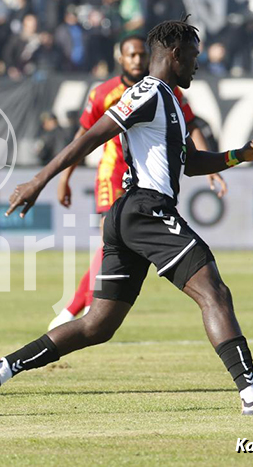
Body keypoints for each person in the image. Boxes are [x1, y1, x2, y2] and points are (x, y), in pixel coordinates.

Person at [0, 18, 253, 417]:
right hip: (146, 209)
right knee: (213, 291)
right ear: (175, 54)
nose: (197, 65)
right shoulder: (147, 92)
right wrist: (39, 180)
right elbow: (92, 136)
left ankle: (2, 367)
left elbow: (191, 162)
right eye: (194, 56)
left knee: (98, 325)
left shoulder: (170, 101)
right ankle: (252, 393)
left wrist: (240, 155)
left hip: (130, 215)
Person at [48, 35, 227, 330]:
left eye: (141, 55)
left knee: (116, 244)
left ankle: (86, 309)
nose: (136, 60)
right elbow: (84, 135)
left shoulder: (166, 91)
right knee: (110, 237)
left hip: (149, 175)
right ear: (121, 58)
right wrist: (64, 177)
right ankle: (73, 310)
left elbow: (191, 127)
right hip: (113, 172)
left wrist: (211, 167)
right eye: (130, 55)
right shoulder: (104, 92)